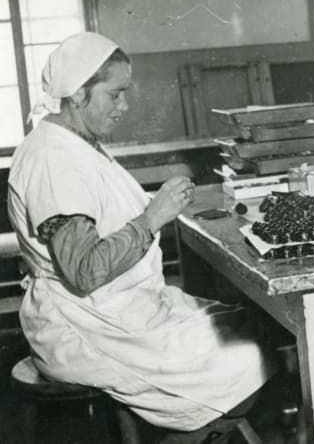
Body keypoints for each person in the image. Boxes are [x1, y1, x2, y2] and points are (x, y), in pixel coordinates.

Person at [7, 32, 275, 437]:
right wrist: (152, 218)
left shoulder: (77, 144)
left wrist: (156, 204)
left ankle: (209, 427)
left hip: (118, 307)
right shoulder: (52, 159)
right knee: (245, 359)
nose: (125, 106)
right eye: (115, 94)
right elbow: (83, 270)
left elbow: (102, 211)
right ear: (78, 94)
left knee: (243, 326)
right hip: (84, 325)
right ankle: (200, 432)